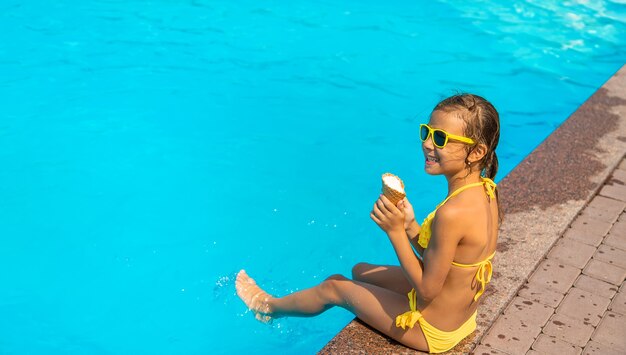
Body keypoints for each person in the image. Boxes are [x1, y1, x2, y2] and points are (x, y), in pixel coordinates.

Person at [235, 93, 502, 353]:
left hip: (433, 329)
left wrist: (395, 231)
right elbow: (444, 260)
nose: (429, 144)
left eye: (441, 138)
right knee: (360, 271)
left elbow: (427, 290)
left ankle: (268, 307)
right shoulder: (486, 191)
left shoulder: (452, 213)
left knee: (335, 287)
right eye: (427, 132)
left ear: (476, 152)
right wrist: (410, 227)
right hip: (459, 319)